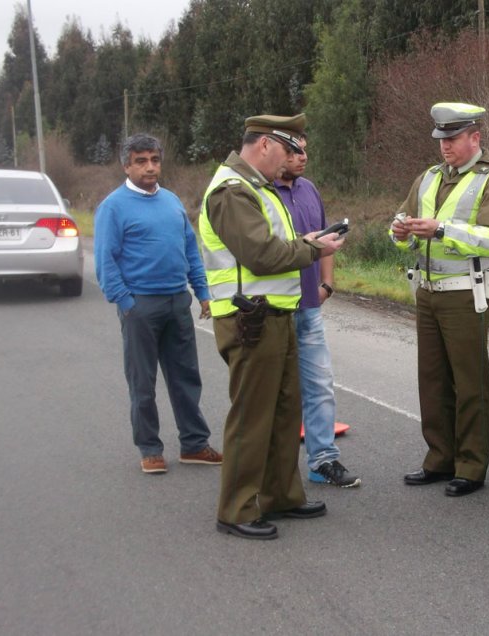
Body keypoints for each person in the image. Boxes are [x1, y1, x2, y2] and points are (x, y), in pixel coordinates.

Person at [199, 115, 346, 540]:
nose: (290, 162)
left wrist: (309, 241)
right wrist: (311, 248)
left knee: (285, 412)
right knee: (252, 416)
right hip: (251, 318)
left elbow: (278, 244)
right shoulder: (231, 190)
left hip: (277, 315)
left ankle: (281, 495)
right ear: (264, 144)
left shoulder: (257, 189)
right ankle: (237, 508)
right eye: (286, 152)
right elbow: (261, 254)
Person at [389, 102, 489, 497]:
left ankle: (470, 465)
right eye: (440, 139)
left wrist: (442, 229)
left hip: (467, 295)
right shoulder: (428, 178)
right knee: (432, 380)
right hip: (428, 293)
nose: (444, 147)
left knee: (469, 383)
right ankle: (439, 458)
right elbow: (403, 223)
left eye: (452, 139)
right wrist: (400, 234)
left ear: (474, 138)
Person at [94, 133, 222, 475]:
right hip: (140, 306)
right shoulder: (113, 206)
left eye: (154, 160)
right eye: (141, 161)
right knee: (142, 382)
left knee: (186, 377)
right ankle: (150, 449)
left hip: (177, 302)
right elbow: (105, 262)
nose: (149, 167)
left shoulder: (171, 201)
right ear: (126, 165)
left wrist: (202, 291)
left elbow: (190, 249)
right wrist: (126, 301)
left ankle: (194, 444)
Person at [271, 123, 361, 488]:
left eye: (305, 150)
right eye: (293, 151)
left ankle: (323, 460)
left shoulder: (309, 190)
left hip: (309, 305)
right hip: (275, 307)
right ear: (275, 152)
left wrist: (327, 284)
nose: (302, 156)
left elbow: (326, 240)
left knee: (320, 383)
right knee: (276, 391)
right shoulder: (261, 194)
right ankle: (273, 467)